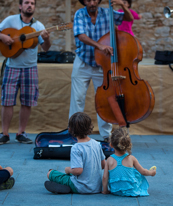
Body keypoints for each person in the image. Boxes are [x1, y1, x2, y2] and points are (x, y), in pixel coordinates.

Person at [69, 0, 134, 141]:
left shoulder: (107, 12)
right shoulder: (79, 14)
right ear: (83, 1)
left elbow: (129, 18)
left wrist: (122, 5)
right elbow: (81, 36)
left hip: (103, 64)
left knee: (104, 99)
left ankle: (106, 135)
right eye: (88, 0)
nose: (92, 2)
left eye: (94, 0)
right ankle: (75, 133)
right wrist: (99, 46)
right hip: (83, 60)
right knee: (77, 98)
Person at [0, 0, 51, 144]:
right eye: (27, 2)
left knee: (27, 102)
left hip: (30, 68)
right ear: (20, 6)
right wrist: (3, 37)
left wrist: (47, 39)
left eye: (33, 3)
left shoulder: (38, 26)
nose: (30, 5)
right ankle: (4, 134)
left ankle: (21, 133)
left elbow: (46, 48)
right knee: (7, 100)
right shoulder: (10, 20)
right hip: (12, 66)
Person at [44, 112, 106, 194]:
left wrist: (68, 169)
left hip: (81, 187)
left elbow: (77, 171)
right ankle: (66, 186)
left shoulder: (76, 148)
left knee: (50, 173)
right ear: (90, 127)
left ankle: (69, 187)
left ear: (70, 129)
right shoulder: (96, 143)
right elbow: (103, 165)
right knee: (70, 176)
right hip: (96, 187)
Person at [102, 128, 156, 196]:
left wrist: (105, 191)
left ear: (111, 145)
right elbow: (143, 172)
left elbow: (105, 177)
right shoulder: (131, 158)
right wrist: (151, 173)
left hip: (115, 190)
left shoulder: (109, 159)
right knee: (137, 173)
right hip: (131, 190)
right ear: (128, 144)